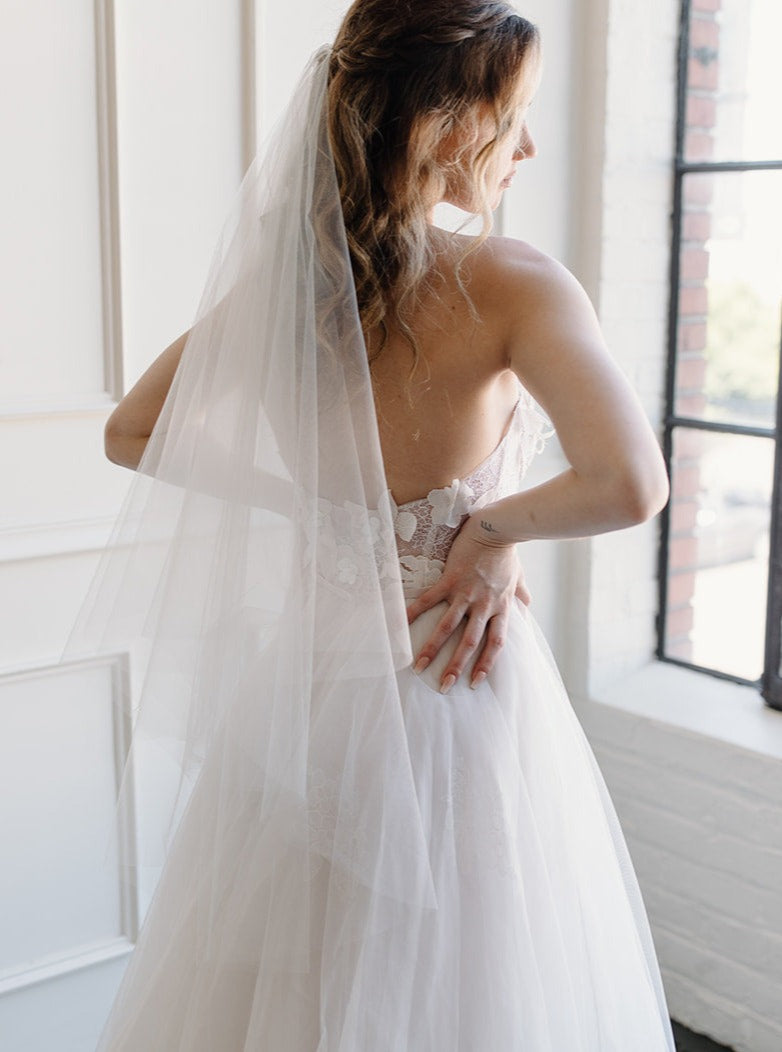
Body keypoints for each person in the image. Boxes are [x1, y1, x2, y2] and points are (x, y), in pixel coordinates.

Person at [76, 1, 676, 1048]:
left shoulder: (289, 286)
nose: (529, 146)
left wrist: (300, 500)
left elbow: (130, 431)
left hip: (307, 695)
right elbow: (630, 484)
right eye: (514, 116)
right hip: (452, 691)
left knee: (287, 983)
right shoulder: (513, 283)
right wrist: (488, 535)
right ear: (444, 125)